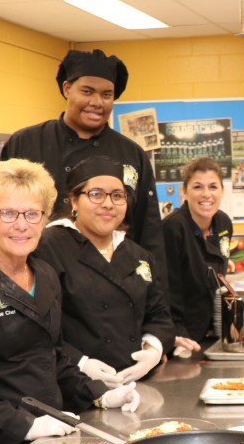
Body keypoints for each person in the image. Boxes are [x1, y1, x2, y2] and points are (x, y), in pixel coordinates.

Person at [0, 159, 139, 444]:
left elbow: (53, 357)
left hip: (54, 431)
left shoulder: (45, 274)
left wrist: (99, 394)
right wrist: (24, 425)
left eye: (32, 214)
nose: (21, 225)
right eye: (7, 213)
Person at [0, 48, 166, 274]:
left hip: (115, 280)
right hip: (38, 275)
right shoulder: (25, 143)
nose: (97, 102)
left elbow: (150, 232)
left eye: (107, 95)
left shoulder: (132, 155)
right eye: (87, 91)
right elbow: (1, 214)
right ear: (67, 89)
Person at [34, 155, 175, 383]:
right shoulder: (48, 247)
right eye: (96, 194)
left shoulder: (139, 255)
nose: (108, 204)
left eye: (118, 196)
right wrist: (81, 363)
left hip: (135, 383)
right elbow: (37, 326)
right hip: (73, 384)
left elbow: (159, 314)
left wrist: (152, 351)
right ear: (74, 200)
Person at [161, 157, 234, 355]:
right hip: (182, 338)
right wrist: (177, 337)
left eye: (213, 186)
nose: (206, 194)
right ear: (184, 192)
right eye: (197, 187)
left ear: (222, 191)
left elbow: (219, 278)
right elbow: (168, 292)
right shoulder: (173, 229)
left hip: (213, 332)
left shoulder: (223, 223)